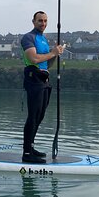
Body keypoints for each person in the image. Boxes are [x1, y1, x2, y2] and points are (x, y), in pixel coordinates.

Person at [20, 11, 63, 164]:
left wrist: (55, 55)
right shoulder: (28, 37)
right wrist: (51, 52)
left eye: (45, 21)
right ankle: (26, 152)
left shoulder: (44, 39)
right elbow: (34, 58)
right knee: (33, 115)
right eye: (40, 21)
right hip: (33, 76)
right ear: (33, 21)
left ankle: (31, 147)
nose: (43, 24)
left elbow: (47, 63)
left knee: (40, 115)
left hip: (44, 78)